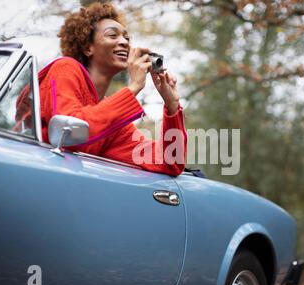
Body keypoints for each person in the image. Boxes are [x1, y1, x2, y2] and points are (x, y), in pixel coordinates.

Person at [18, 2, 186, 176]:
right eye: (112, 35)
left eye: (127, 38)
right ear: (88, 47)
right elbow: (69, 135)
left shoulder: (113, 120)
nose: (124, 42)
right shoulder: (66, 68)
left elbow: (168, 163)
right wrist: (134, 87)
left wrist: (172, 106)